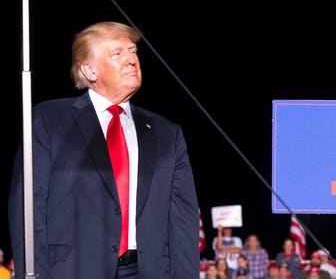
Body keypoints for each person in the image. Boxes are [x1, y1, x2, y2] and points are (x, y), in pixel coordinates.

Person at [8, 21, 201, 278]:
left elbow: (183, 222)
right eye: (117, 53)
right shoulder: (48, 121)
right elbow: (28, 210)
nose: (131, 59)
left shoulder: (168, 133)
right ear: (89, 70)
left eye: (133, 51)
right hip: (72, 271)